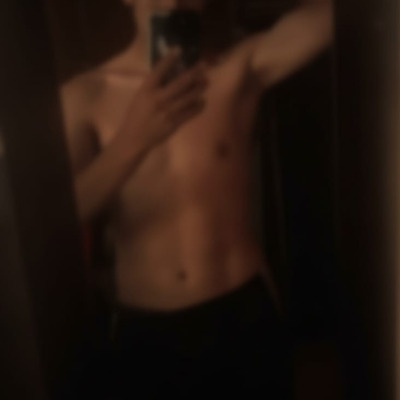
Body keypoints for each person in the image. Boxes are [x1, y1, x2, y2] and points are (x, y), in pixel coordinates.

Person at [60, 0, 333, 398]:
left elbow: (335, 17)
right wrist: (131, 142)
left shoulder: (236, 70)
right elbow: (50, 226)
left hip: (243, 316)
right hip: (147, 331)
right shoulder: (85, 96)